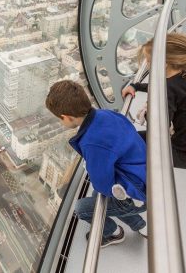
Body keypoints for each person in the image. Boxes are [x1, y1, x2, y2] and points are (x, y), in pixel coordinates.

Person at [46, 80, 147, 247]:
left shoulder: (92, 142)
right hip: (145, 174)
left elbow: (101, 185)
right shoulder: (107, 115)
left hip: (138, 192)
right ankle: (139, 225)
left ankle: (113, 233)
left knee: (82, 208)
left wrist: (91, 165)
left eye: (60, 119)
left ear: (66, 117)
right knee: (99, 197)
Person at [122, 33, 186, 171]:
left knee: (133, 149)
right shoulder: (185, 74)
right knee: (132, 140)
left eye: (149, 61)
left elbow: (159, 127)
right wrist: (136, 86)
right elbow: (166, 89)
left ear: (163, 64)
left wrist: (146, 111)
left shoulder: (168, 88)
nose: (148, 65)